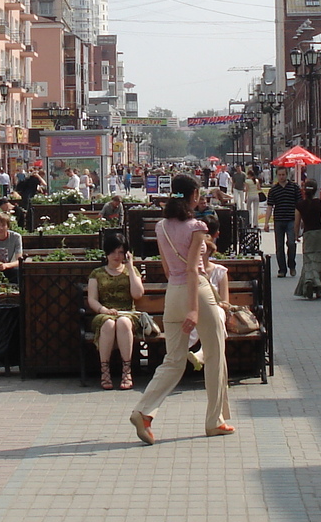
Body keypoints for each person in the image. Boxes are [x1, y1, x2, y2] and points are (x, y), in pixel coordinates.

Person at [129, 175, 232, 443]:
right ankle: (214, 420)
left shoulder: (162, 226)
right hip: (195, 290)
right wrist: (194, 310)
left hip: (171, 292)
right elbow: (191, 269)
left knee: (173, 360)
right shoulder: (197, 227)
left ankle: (144, 410)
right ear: (194, 194)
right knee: (214, 352)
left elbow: (166, 268)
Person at [87, 233, 145, 390]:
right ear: (106, 252)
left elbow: (138, 294)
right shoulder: (97, 273)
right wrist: (104, 309)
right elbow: (92, 299)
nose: (116, 256)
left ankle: (127, 371)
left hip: (127, 314)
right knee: (108, 324)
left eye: (120, 252)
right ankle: (105, 371)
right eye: (113, 252)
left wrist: (131, 267)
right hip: (104, 313)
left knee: (123, 322)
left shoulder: (130, 272)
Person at [294, 181, 321, 300]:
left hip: (309, 235)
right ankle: (319, 290)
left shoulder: (300, 205)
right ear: (316, 190)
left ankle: (309, 281)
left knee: (309, 261)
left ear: (304, 190)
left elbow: (296, 223)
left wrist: (296, 235)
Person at [266, 169, 302, 278]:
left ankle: (292, 265)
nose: (281, 177)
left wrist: (301, 220)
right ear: (277, 176)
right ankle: (282, 269)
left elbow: (300, 205)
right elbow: (269, 207)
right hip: (279, 220)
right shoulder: (273, 190)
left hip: (292, 219)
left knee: (291, 243)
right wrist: (266, 222)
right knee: (279, 246)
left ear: (287, 175)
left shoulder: (294, 187)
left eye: (283, 174)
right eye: (279, 175)